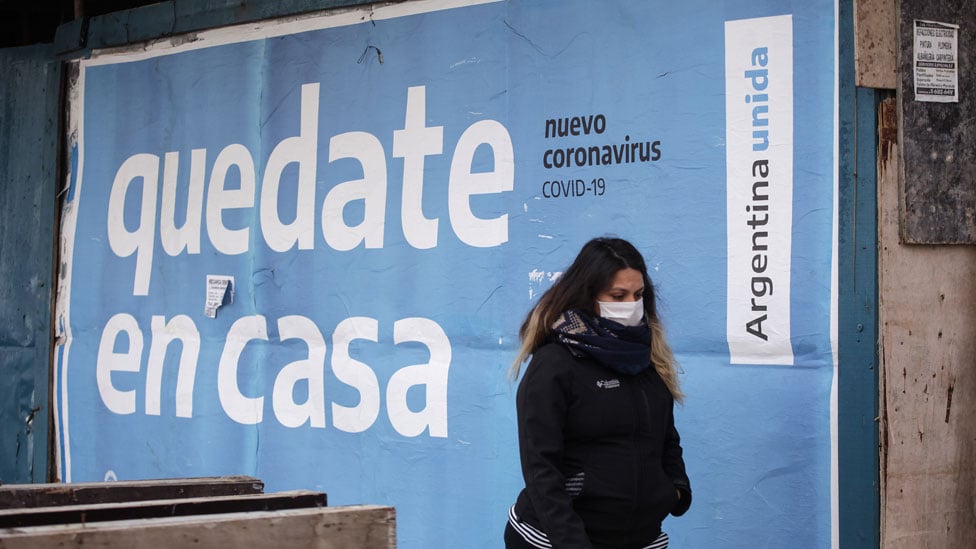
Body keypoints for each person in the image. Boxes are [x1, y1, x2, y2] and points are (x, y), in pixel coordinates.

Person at [505, 237, 691, 549]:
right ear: (589, 295)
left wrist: (676, 489)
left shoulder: (646, 357)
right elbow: (541, 468)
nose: (631, 305)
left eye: (639, 295)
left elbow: (666, 438)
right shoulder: (556, 362)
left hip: (641, 538)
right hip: (559, 541)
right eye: (618, 296)